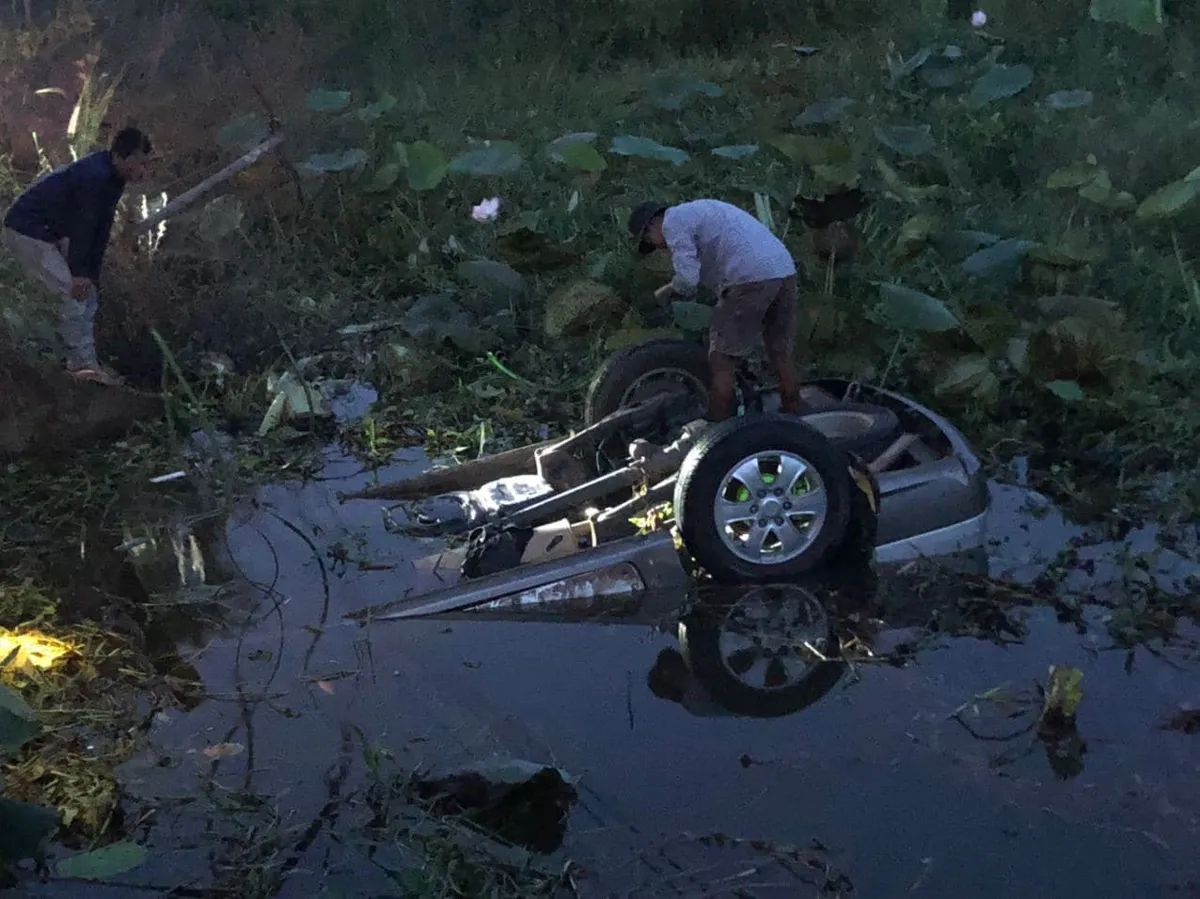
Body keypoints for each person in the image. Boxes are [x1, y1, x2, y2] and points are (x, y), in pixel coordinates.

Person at [627, 198, 807, 421]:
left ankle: (718, 426)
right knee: (778, 350)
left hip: (749, 278)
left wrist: (664, 293)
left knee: (721, 358)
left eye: (650, 241)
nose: (659, 248)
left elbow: (687, 281)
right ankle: (795, 410)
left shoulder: (672, 223)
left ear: (652, 225)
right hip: (783, 270)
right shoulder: (701, 210)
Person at [3, 126, 153, 386]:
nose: (142, 170)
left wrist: (90, 275)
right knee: (73, 294)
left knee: (86, 294)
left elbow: (100, 229)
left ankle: (83, 361)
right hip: (29, 231)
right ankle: (79, 366)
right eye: (140, 162)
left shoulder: (113, 179)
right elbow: (83, 227)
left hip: (50, 233)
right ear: (122, 156)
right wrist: (80, 274)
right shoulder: (95, 176)